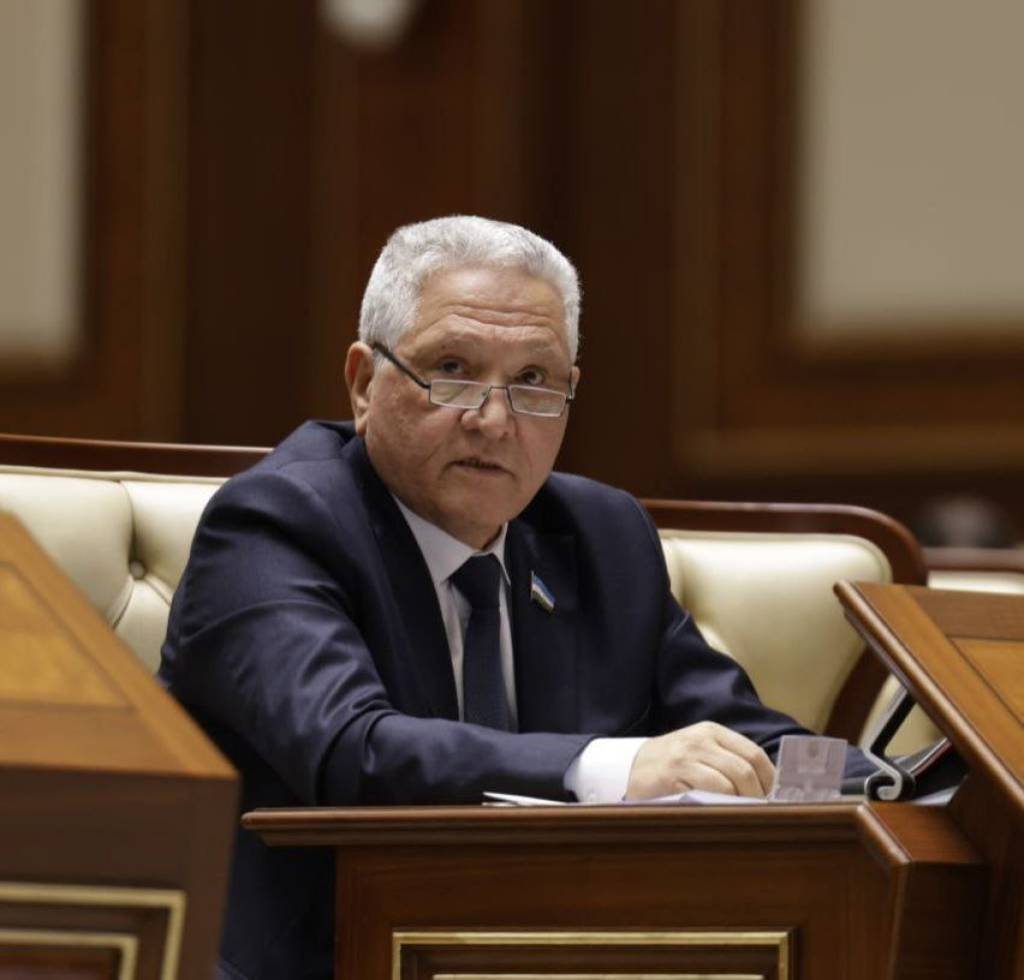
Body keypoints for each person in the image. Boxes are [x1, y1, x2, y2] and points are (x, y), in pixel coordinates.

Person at [160, 216, 825, 980]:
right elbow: (354, 752)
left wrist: (890, 781)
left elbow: (746, 739)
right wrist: (608, 768)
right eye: (453, 369)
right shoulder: (275, 525)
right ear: (364, 384)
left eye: (534, 381)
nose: (495, 420)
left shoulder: (600, 535)